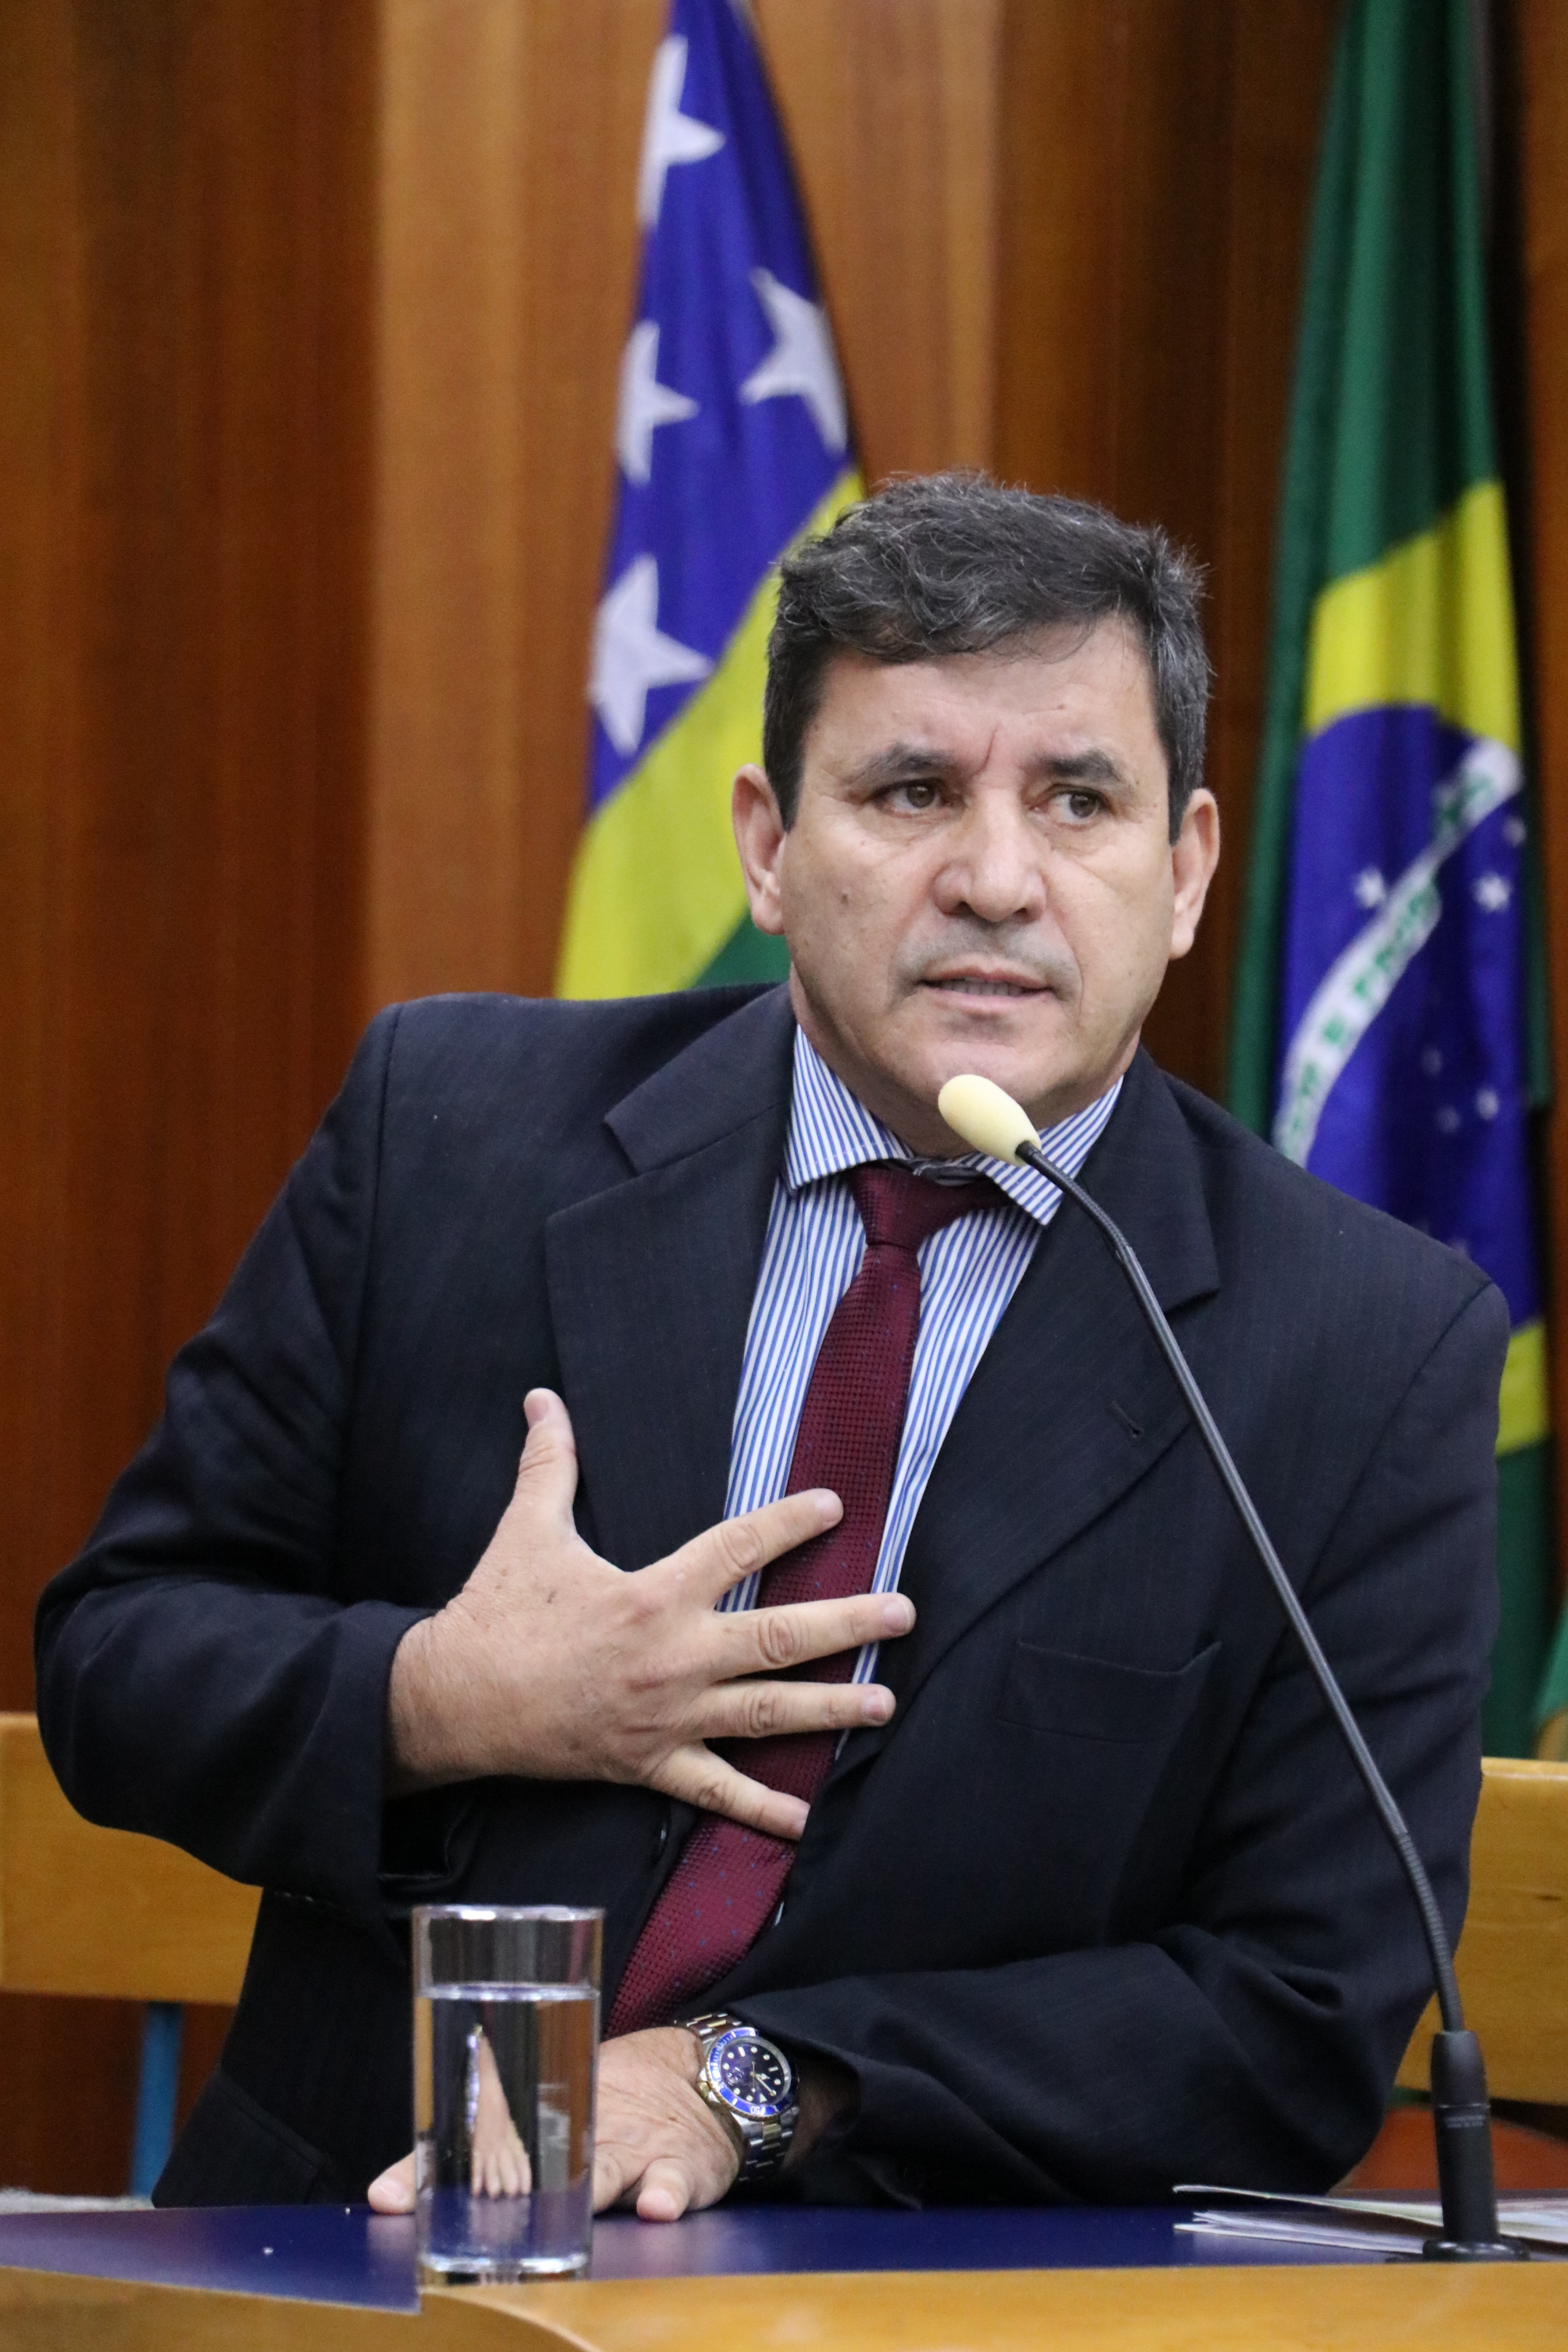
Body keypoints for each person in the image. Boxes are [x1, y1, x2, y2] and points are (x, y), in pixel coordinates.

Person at [35, 475, 1503, 2217]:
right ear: (766, 846)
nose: (995, 879)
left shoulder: (1364, 1352)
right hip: (358, 2247)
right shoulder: (447, 1136)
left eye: (1077, 801)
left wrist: (752, 2085)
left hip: (934, 2300)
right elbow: (117, 1661)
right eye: (909, 791)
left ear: (1181, 871)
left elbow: (1294, 2016)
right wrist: (438, 1697)